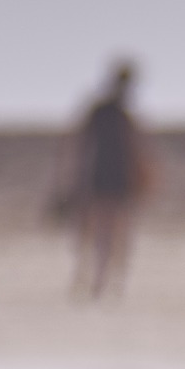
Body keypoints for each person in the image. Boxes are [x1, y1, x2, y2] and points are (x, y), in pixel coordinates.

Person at [63, 60, 150, 299]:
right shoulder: (102, 112)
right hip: (101, 178)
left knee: (113, 231)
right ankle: (95, 279)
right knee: (99, 231)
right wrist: (74, 178)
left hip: (117, 179)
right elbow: (80, 145)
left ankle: (107, 281)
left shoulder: (123, 115)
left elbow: (136, 150)